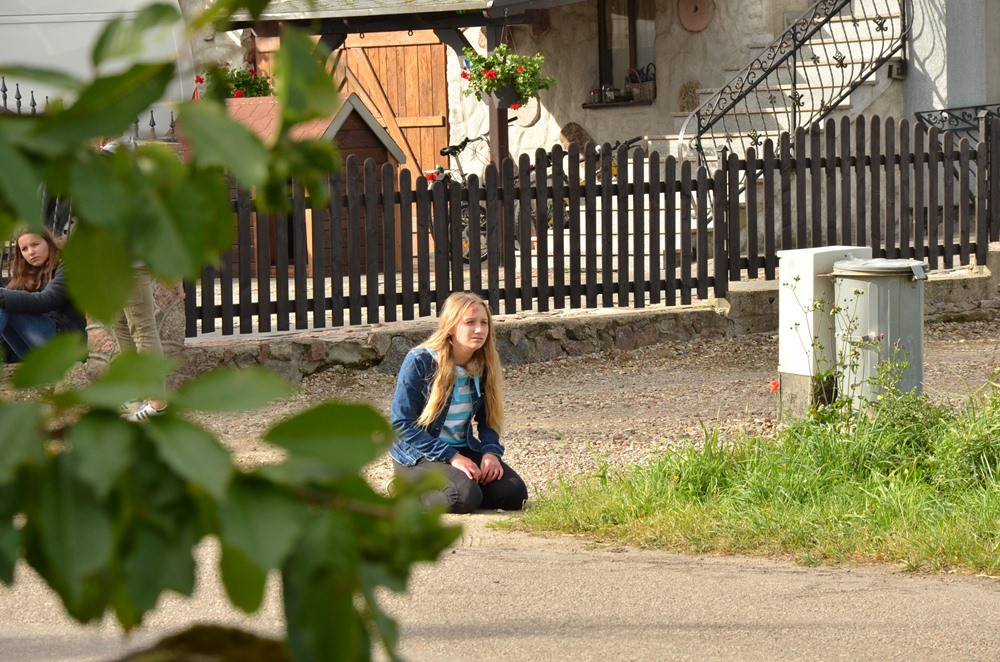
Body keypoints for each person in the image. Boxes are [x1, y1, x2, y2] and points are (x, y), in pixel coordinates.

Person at [390, 291, 528, 513]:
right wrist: (452, 457)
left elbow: (488, 419)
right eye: (470, 322)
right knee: (463, 497)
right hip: (418, 454)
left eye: (484, 323)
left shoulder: (483, 363)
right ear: (452, 327)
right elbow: (401, 425)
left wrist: (491, 453)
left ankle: (457, 487)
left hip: (460, 448)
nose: (479, 329)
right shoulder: (420, 361)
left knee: (513, 495)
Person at [0, 228, 86, 360]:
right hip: (35, 350)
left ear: (48, 242)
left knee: (7, 302)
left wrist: (3, 295)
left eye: (35, 244)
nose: (31, 252)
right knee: (5, 302)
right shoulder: (25, 274)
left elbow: (47, 300)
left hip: (68, 343)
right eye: (24, 249)